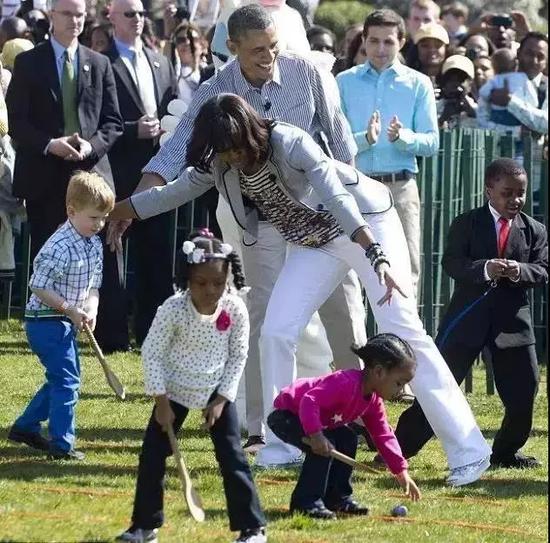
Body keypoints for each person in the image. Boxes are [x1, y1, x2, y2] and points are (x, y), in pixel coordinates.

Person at [109, 93, 492, 486]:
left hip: (365, 223)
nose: (233, 158)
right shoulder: (220, 161)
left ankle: (469, 452)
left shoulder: (290, 142)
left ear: (251, 131)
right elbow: (169, 193)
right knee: (276, 330)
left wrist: (376, 256)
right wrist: (111, 212)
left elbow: (338, 197)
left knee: (403, 328)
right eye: (224, 152)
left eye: (237, 148)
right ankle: (282, 444)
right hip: (316, 241)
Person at [109, 4, 367, 460]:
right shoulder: (215, 91)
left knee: (342, 315)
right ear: (232, 48)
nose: (268, 58)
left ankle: (360, 417)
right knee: (261, 321)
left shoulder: (308, 74)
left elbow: (341, 141)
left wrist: (348, 204)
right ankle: (260, 426)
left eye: (273, 47)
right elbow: (174, 159)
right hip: (261, 224)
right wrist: (130, 205)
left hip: (319, 220)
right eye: (257, 51)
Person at [394, 158, 547, 469]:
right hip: (466, 320)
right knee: (439, 387)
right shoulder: (467, 222)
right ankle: (397, 450)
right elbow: (452, 263)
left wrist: (520, 270)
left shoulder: (534, 230)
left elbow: (543, 270)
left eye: (521, 193)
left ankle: (505, 452)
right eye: (507, 193)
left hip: (512, 324)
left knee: (524, 391)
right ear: (488, 190)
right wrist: (485, 269)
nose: (515, 200)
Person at [116, 231, 267, 543]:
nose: (210, 290)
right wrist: (161, 402)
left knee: (232, 457)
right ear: (187, 278)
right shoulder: (172, 310)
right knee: (152, 457)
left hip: (215, 389)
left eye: (218, 283)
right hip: (172, 391)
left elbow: (239, 355)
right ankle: (144, 526)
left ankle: (252, 528)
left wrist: (223, 398)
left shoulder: (235, 309)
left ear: (227, 280)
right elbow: (152, 354)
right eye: (201, 283)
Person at [7, 172, 115, 460]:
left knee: (62, 379)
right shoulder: (59, 245)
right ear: (71, 211)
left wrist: (91, 309)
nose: (100, 224)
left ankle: (25, 427)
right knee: (67, 382)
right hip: (44, 323)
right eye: (94, 218)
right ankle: (61, 445)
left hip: (65, 320)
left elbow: (94, 284)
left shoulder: (93, 243)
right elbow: (38, 286)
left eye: (104, 218)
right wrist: (68, 308)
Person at [6, 0, 123, 261]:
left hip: (89, 179)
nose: (75, 20)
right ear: (52, 15)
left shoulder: (100, 63)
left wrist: (90, 145)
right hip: (44, 180)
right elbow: (17, 121)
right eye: (67, 14)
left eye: (79, 15)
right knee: (47, 262)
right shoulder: (28, 63)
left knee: (88, 266)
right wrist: (50, 144)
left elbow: (113, 122)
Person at [337, 9, 439, 299]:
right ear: (364, 42)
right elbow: (334, 141)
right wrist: (365, 139)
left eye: (388, 42)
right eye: (373, 41)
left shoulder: (419, 83)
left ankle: (403, 342)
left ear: (402, 42)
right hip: (358, 185)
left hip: (401, 187)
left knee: (406, 267)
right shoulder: (344, 81)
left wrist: (402, 138)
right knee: (351, 269)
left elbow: (432, 142)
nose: (380, 49)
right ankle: (360, 342)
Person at [94, 0, 176, 352]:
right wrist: (132, 129)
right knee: (112, 256)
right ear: (111, 16)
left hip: (157, 170)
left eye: (142, 14)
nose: (138, 20)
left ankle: (151, 335)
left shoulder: (159, 61)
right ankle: (111, 335)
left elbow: (172, 107)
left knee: (155, 254)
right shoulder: (101, 62)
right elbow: (95, 119)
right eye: (130, 13)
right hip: (116, 170)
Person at [267, 333, 421, 519]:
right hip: (286, 415)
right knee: (324, 447)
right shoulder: (345, 383)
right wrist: (316, 436)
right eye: (399, 383)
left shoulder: (373, 401)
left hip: (315, 421)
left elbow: (383, 435)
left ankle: (338, 498)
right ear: (379, 372)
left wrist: (401, 471)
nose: (401, 390)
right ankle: (305, 503)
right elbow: (309, 400)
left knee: (347, 438)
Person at [487, 32, 548, 135]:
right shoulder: (501, 82)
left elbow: (546, 124)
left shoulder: (546, 87)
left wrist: (511, 102)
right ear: (518, 53)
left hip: (534, 150)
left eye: (540, 56)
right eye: (529, 53)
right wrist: (519, 130)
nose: (534, 60)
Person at [437, 54, 477, 129]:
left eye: (461, 79)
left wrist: (471, 112)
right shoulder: (434, 108)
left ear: (470, 85)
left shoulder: (478, 110)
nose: (455, 84)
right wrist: (442, 119)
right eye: (450, 79)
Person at [408, 22, 449, 86]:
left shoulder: (455, 80)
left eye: (438, 45)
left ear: (446, 48)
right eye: (425, 45)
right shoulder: (407, 79)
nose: (432, 50)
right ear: (416, 49)